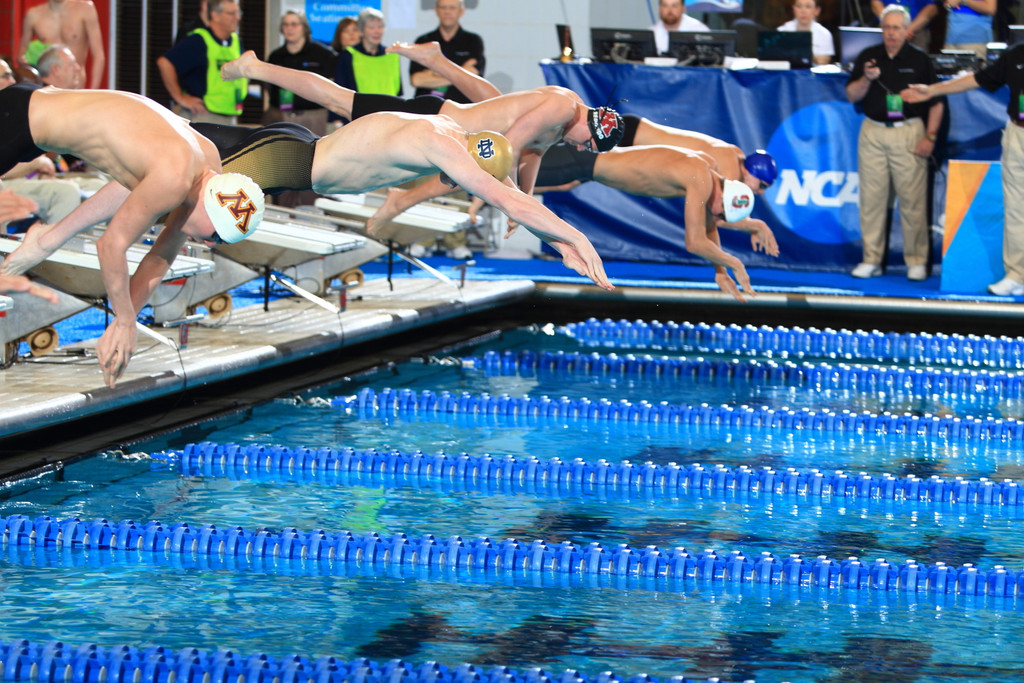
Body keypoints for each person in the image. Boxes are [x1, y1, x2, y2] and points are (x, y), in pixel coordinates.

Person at [4, 111, 613, 296]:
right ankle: (60, 247)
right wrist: (578, 238)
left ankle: (87, 271)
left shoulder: (449, 128)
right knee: (174, 201)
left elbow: (510, 195)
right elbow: (509, 196)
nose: (459, 187)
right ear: (474, 164)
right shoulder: (443, 146)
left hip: (296, 151)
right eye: (469, 181)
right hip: (285, 162)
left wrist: (559, 237)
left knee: (173, 187)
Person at [0, 83, 265, 387]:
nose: (208, 243)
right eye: (216, 236)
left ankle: (44, 239)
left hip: (31, 116)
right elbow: (110, 246)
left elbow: (160, 255)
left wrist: (121, 322)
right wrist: (125, 320)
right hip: (19, 119)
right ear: (212, 210)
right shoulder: (176, 180)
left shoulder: (207, 168)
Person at [222, 45, 625, 210]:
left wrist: (523, 200)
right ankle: (253, 66)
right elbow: (506, 144)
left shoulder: (563, 119)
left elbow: (529, 154)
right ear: (591, 128)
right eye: (589, 146)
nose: (583, 150)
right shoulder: (560, 106)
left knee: (489, 97)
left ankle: (438, 60)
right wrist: (503, 197)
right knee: (336, 98)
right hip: (428, 118)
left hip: (445, 128)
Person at [531, 143, 770, 301]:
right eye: (721, 214)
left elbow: (708, 229)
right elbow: (695, 242)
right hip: (581, 162)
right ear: (725, 199)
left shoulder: (709, 172)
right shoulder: (701, 180)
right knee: (502, 173)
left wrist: (720, 270)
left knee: (511, 186)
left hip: (584, 168)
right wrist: (735, 263)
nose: (717, 219)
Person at [902, 41, 1024, 295]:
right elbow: (976, 79)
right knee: (1015, 209)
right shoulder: (1016, 54)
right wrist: (932, 90)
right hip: (1017, 133)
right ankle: (1018, 275)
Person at [845, 4, 943, 281]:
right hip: (873, 132)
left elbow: (937, 103)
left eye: (896, 28)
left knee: (912, 202)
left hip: (908, 132)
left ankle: (916, 261)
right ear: (881, 29)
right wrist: (866, 77)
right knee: (872, 201)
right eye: (887, 27)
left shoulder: (920, 60)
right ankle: (871, 259)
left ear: (906, 31)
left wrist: (930, 137)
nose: (891, 33)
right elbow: (852, 95)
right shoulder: (868, 57)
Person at [156, 0, 247, 124]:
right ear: (215, 15)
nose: (237, 17)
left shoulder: (236, 41)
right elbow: (165, 63)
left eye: (238, 12)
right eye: (231, 13)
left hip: (230, 115)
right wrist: (180, 97)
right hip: (203, 116)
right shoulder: (199, 41)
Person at [264, 11, 335, 136]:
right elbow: (268, 88)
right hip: (281, 118)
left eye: (294, 24)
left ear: (304, 28)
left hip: (314, 118)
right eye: (285, 25)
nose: (289, 28)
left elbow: (332, 85)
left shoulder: (323, 54)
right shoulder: (275, 56)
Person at [409, 0, 485, 104]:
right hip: (428, 110)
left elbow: (474, 74)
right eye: (443, 7)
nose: (447, 12)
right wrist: (460, 74)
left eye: (452, 8)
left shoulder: (473, 41)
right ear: (436, 10)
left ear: (461, 11)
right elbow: (417, 80)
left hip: (463, 109)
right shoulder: (423, 41)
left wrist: (436, 72)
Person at [18, 0, 105, 89]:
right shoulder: (33, 15)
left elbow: (98, 55)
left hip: (76, 86)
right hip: (48, 88)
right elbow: (21, 55)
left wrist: (93, 90)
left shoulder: (85, 9)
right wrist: (33, 70)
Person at [779, 0, 836, 65]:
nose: (803, 11)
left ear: (817, 10)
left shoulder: (824, 34)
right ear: (793, 8)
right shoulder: (782, 32)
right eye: (799, 6)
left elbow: (823, 63)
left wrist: (806, 52)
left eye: (808, 6)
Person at [870, 0, 939, 51]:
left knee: (918, 64)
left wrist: (907, 30)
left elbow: (932, 8)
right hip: (887, 31)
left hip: (916, 32)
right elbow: (875, 3)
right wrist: (889, 24)